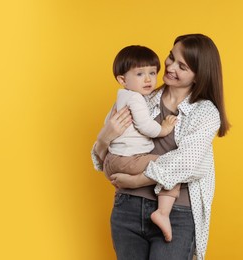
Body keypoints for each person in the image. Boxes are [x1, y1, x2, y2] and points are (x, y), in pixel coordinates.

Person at [92, 34, 230, 260]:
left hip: (177, 214)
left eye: (182, 66)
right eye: (171, 57)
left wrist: (137, 180)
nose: (170, 66)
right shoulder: (141, 95)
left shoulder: (204, 112)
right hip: (127, 207)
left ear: (198, 76)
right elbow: (103, 159)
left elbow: (188, 164)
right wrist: (104, 138)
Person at [103, 45, 180, 242]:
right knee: (170, 167)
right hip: (129, 159)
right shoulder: (137, 98)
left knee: (169, 167)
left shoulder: (121, 98)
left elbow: (107, 125)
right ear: (122, 79)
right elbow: (146, 126)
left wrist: (102, 144)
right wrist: (163, 129)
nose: (148, 79)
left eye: (152, 73)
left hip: (113, 160)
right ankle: (162, 213)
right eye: (140, 74)